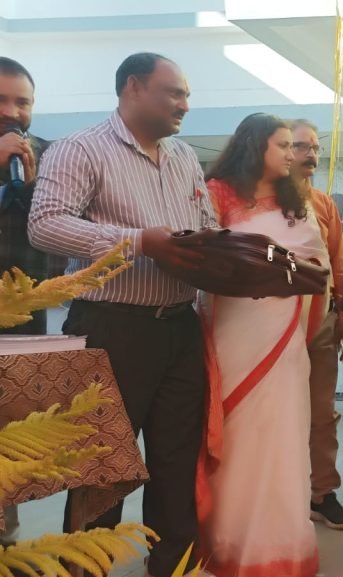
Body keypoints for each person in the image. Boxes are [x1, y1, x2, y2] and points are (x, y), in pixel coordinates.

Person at [28, 52, 213, 577]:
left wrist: (230, 255)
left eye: (187, 95)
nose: (184, 104)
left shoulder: (184, 156)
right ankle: (86, 569)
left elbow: (205, 223)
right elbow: (45, 225)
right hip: (111, 328)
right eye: (174, 92)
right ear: (133, 86)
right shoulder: (80, 148)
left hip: (180, 326)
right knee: (103, 464)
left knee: (176, 460)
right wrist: (138, 242)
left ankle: (173, 566)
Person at [195, 113, 323, 577]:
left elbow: (319, 268)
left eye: (294, 146)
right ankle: (231, 546)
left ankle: (282, 547)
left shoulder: (297, 201)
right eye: (283, 145)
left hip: (287, 336)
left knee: (283, 435)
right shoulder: (216, 194)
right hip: (236, 331)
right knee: (241, 437)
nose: (292, 154)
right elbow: (203, 261)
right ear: (255, 146)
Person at [289, 119, 343, 531]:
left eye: (315, 147)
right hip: (274, 324)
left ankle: (323, 493)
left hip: (322, 322)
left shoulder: (324, 203)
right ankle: (281, 494)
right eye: (301, 146)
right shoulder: (261, 200)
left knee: (322, 412)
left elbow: (338, 260)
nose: (311, 154)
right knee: (276, 411)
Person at [0, 57, 62, 336]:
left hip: (26, 315)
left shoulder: (52, 156)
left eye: (22, 102)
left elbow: (60, 228)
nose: (11, 112)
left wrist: (29, 189)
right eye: (1, 100)